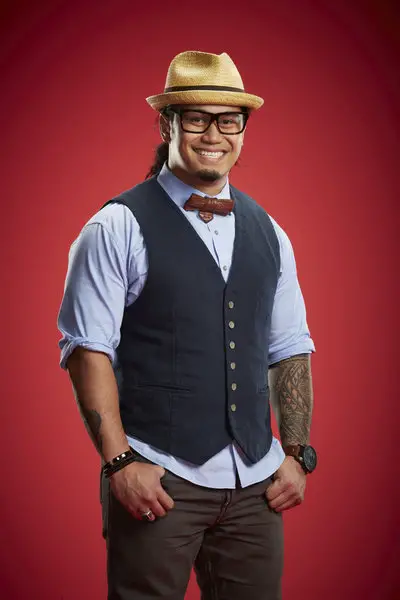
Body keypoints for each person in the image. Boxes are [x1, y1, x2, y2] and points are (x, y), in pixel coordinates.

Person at [57, 50, 317, 600]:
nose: (213, 134)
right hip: (159, 478)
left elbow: (290, 347)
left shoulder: (271, 231)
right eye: (197, 118)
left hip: (256, 484)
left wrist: (296, 454)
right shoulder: (115, 226)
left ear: (243, 130)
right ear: (166, 124)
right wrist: (120, 463)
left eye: (228, 120)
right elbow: (87, 350)